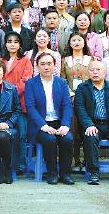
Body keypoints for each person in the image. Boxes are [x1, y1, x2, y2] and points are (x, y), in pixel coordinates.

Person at [25, 53, 75, 185]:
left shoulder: (61, 83)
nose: (46, 67)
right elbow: (30, 108)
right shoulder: (31, 83)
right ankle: (52, 173)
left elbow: (67, 105)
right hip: (39, 125)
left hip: (59, 122)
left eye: (49, 64)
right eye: (42, 64)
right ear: (37, 66)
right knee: (50, 139)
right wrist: (44, 126)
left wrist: (65, 125)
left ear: (54, 65)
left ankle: (65, 174)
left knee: (67, 139)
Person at [1, 31, 33, 172]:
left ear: (20, 45)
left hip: (20, 103)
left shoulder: (25, 60)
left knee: (21, 135)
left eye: (15, 42)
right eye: (9, 41)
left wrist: (10, 93)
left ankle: (21, 164)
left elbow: (26, 81)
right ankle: (5, 163)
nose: (12, 44)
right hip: (3, 104)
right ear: (5, 44)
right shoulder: (1, 60)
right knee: (4, 134)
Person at [61, 32, 93, 171]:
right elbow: (63, 79)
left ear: (84, 42)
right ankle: (76, 161)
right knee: (73, 130)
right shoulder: (65, 60)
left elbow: (94, 78)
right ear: (70, 43)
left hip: (88, 98)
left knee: (87, 129)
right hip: (71, 98)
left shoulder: (91, 59)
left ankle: (87, 161)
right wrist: (71, 94)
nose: (76, 42)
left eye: (79, 40)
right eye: (73, 40)